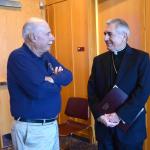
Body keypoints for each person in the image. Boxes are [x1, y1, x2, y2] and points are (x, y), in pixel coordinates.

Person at [7, 17, 72, 150]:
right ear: (33, 37)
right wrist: (57, 79)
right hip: (33, 130)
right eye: (48, 34)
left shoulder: (46, 56)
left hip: (50, 126)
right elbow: (39, 91)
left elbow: (68, 75)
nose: (53, 38)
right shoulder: (18, 57)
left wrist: (52, 79)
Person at [88, 18, 150, 150]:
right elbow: (91, 90)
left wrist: (120, 115)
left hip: (130, 128)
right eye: (104, 34)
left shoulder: (141, 58)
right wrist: (98, 115)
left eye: (109, 34)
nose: (105, 38)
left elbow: (143, 90)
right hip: (104, 128)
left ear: (124, 36)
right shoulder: (99, 60)